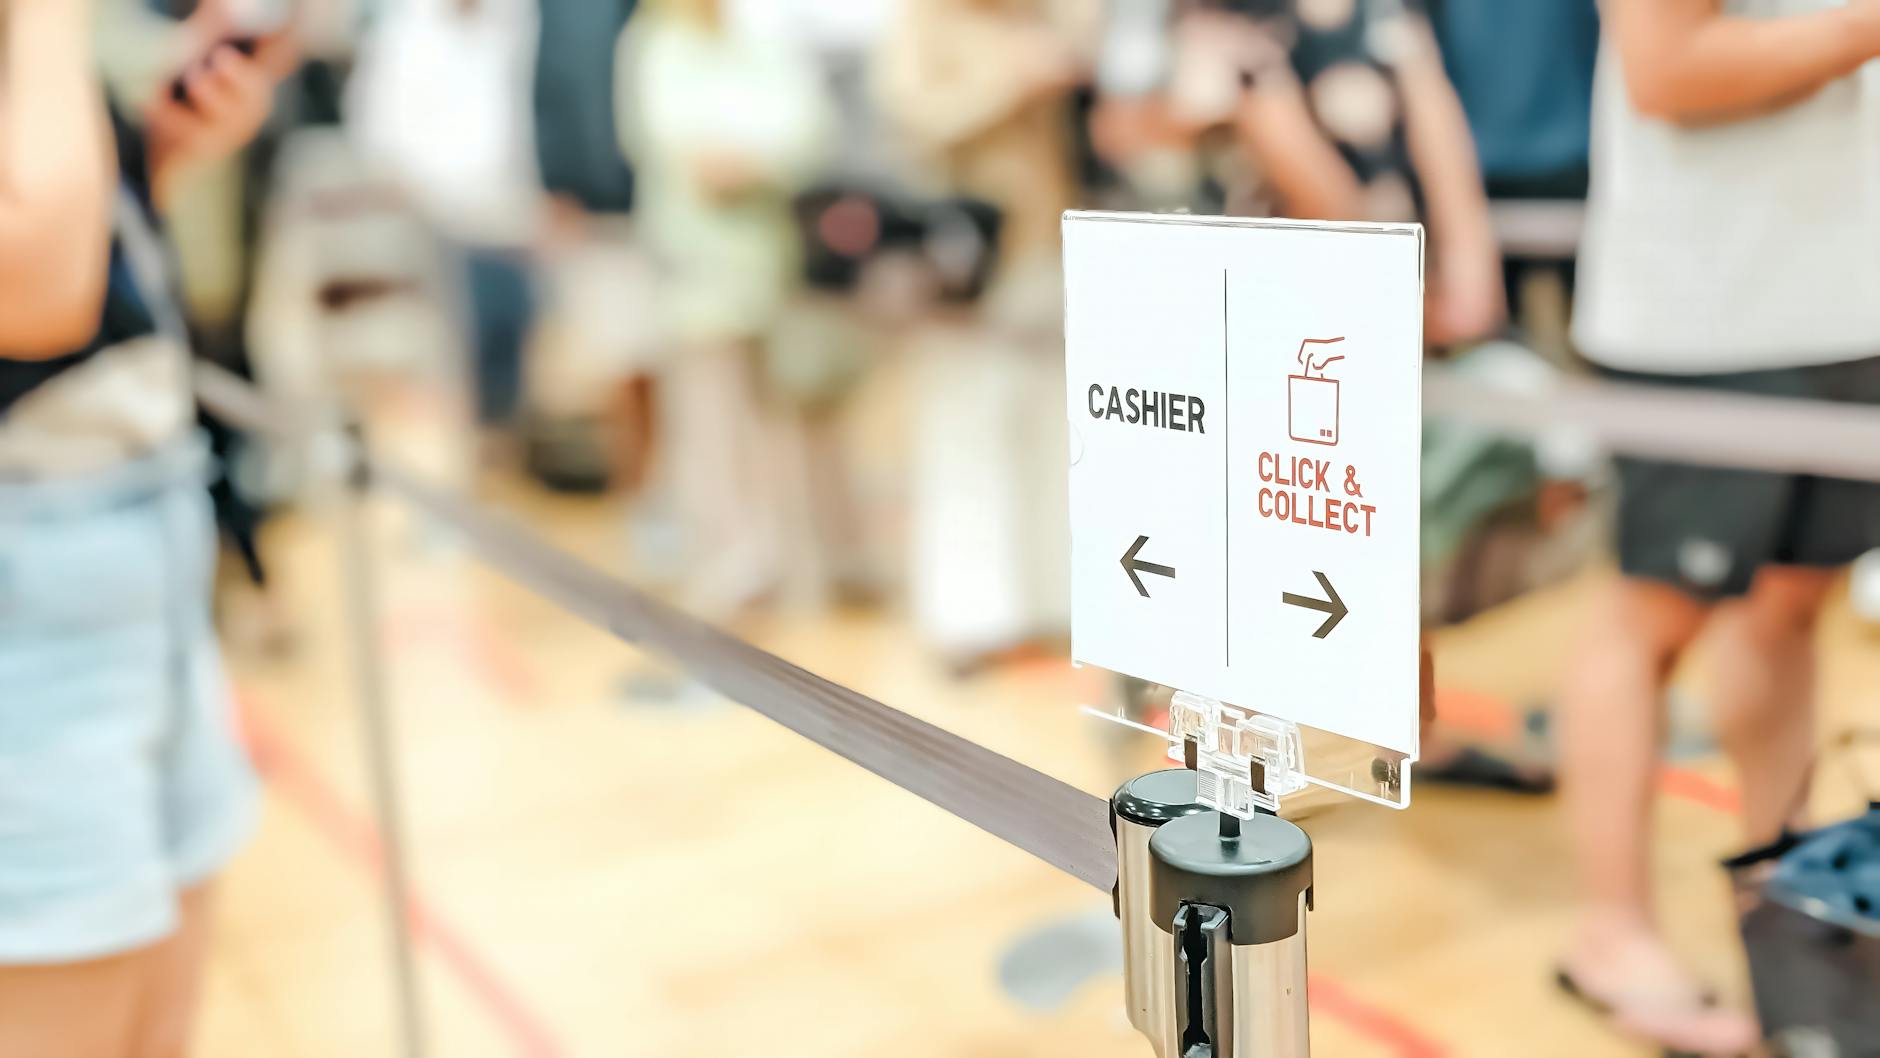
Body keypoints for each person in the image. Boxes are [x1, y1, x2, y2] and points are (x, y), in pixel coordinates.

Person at [1559, 1, 1880, 1052]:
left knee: (1788, 608)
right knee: (1650, 618)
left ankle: (1786, 904)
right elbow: (1665, 68)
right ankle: (1609, 933)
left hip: (1842, 300)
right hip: (1702, 318)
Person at [0, 1, 291, 1054]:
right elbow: (32, 287)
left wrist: (159, 151)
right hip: (33, 576)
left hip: (138, 518)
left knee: (157, 1019)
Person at [619, 0, 834, 618]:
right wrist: (751, 156)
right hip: (697, 267)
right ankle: (730, 561)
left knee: (780, 421)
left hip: (773, 265)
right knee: (710, 420)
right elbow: (686, 151)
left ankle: (788, 558)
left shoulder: (757, 37)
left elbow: (806, 132)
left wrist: (753, 160)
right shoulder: (656, 43)